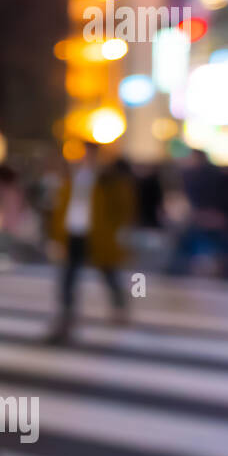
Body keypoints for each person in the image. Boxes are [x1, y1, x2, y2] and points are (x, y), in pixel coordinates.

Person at [46, 143, 135, 343]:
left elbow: (123, 207)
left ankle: (119, 307)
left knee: (108, 271)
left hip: (97, 233)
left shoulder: (108, 179)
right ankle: (67, 313)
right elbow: (61, 206)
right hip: (73, 232)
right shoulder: (72, 176)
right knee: (68, 275)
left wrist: (116, 230)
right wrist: (57, 235)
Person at [167, 150, 228, 279]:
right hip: (211, 219)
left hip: (211, 219)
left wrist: (210, 215)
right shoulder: (209, 175)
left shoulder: (195, 177)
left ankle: (175, 272)